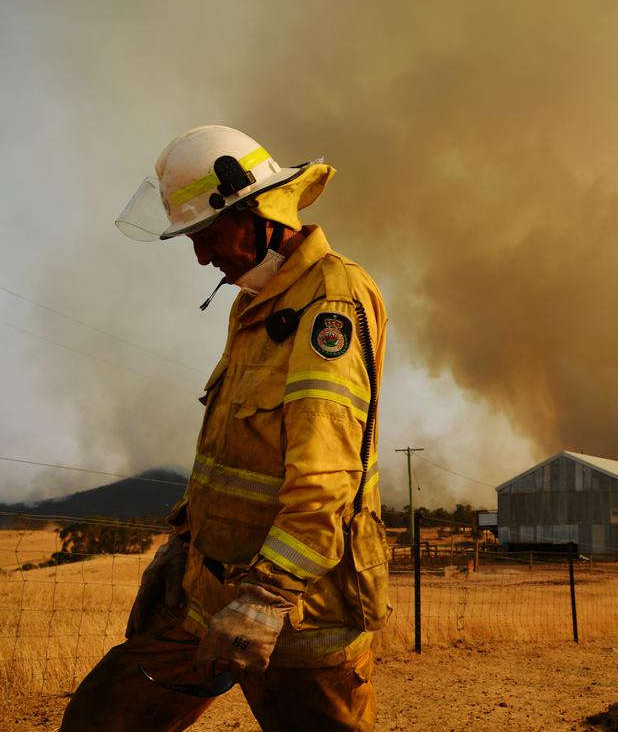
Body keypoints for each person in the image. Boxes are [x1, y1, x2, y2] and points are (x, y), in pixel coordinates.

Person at [62, 125, 391, 731]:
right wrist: (184, 544)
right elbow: (234, 452)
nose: (201, 256)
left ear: (260, 211)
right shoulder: (255, 305)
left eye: (207, 234)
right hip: (207, 599)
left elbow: (327, 477)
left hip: (298, 614)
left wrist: (266, 597)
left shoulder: (331, 302)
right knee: (103, 717)